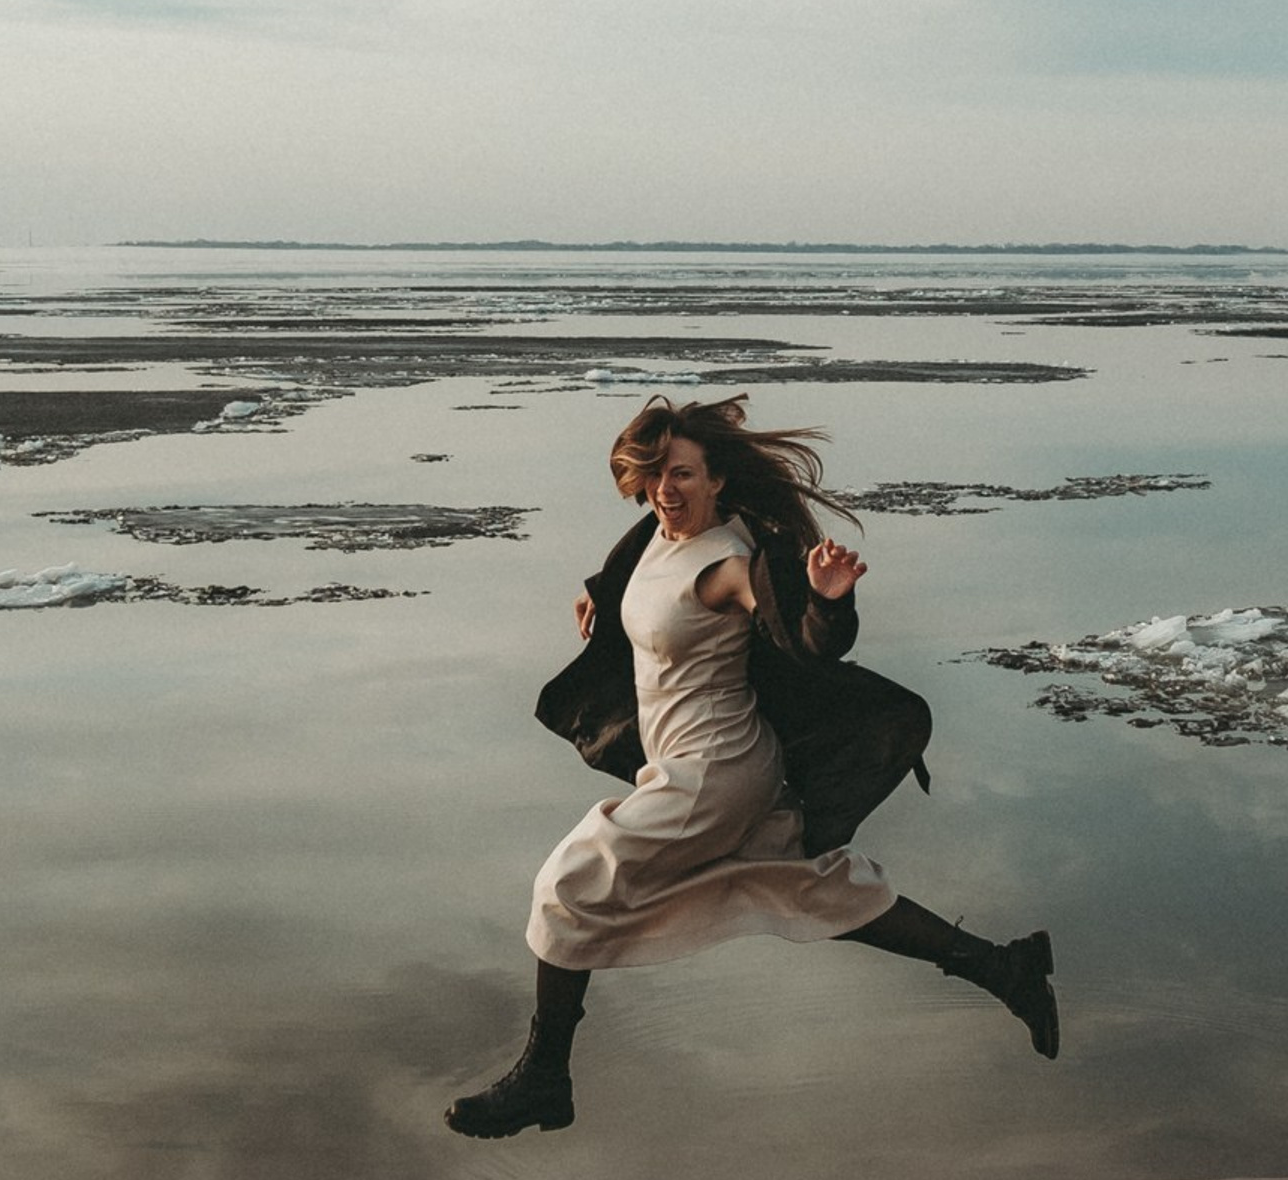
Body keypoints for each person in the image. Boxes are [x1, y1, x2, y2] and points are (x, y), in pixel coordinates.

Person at [446, 394, 1060, 1138]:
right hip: (717, 762)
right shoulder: (654, 538)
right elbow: (638, 584)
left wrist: (829, 605)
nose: (666, 489)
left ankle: (545, 1078)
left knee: (570, 882)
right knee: (810, 888)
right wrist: (602, 606)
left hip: (713, 774)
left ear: (717, 482)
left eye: (683, 474)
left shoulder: (726, 563)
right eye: (656, 474)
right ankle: (1002, 967)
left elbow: (796, 634)